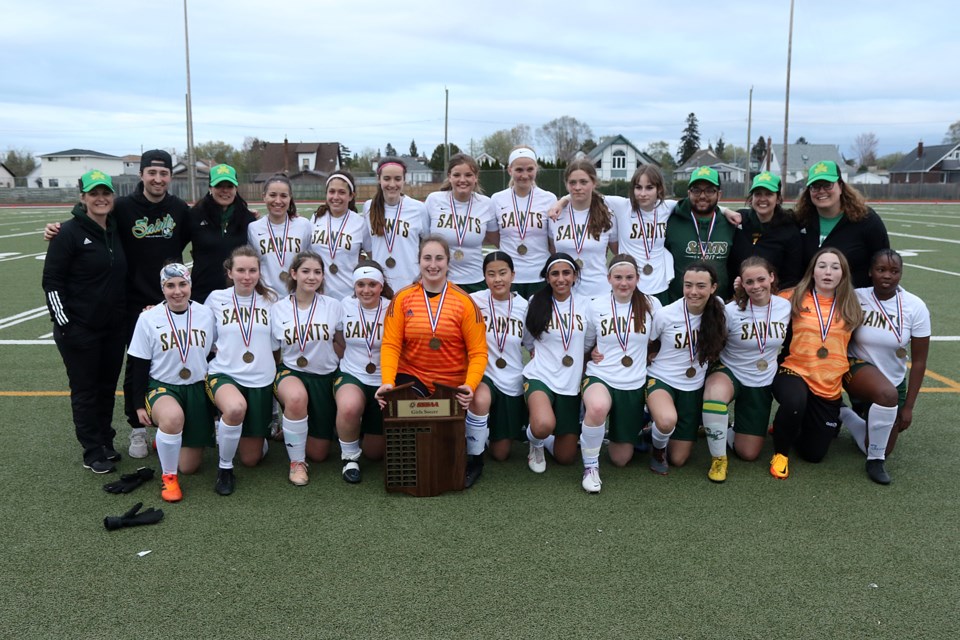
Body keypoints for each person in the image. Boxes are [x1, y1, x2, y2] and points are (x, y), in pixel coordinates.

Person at [44, 149, 191, 459]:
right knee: (133, 368)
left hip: (170, 301)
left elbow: (205, 234)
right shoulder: (122, 208)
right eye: (151, 172)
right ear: (141, 175)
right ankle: (134, 431)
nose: (157, 178)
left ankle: (181, 426)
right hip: (129, 305)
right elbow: (87, 216)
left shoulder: (179, 209)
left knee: (178, 362)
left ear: (170, 177)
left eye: (163, 173)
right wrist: (58, 226)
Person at [375, 235, 489, 485]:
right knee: (413, 442)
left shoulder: (465, 302)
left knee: (481, 398)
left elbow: (478, 352)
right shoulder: (403, 298)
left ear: (448, 262)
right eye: (427, 258)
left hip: (453, 380)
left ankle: (475, 459)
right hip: (415, 375)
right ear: (419, 261)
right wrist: (387, 382)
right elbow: (391, 344)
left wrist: (469, 386)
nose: (433, 264)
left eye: (439, 258)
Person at [42, 170, 128, 474]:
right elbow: (52, 282)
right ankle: (92, 450)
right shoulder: (67, 233)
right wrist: (66, 325)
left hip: (113, 328)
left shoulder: (116, 230)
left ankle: (106, 440)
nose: (101, 198)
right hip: (79, 329)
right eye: (94, 193)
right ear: (83, 198)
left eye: (105, 193)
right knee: (85, 390)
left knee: (106, 387)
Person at [769, 248, 863, 479]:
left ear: (843, 273)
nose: (828, 272)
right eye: (822, 266)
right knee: (794, 401)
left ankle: (794, 424)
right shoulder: (793, 297)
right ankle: (780, 453)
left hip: (828, 385)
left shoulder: (852, 304)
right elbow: (760, 303)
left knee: (814, 454)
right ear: (813, 271)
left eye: (834, 267)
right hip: (794, 371)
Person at [126, 264, 217, 502]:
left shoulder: (206, 314)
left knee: (189, 466)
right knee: (173, 418)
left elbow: (215, 353)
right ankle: (168, 478)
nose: (177, 291)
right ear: (162, 289)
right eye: (170, 286)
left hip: (197, 388)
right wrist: (137, 405)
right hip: (163, 386)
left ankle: (165, 439)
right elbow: (137, 364)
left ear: (190, 285)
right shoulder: (148, 318)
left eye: (182, 284)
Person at [841, 249, 930, 484]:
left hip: (893, 380)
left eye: (894, 271)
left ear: (901, 274)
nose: (887, 276)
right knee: (886, 396)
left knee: (881, 444)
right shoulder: (856, 297)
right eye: (881, 270)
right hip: (856, 367)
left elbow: (919, 362)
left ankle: (844, 413)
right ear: (870, 272)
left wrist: (909, 406)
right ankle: (875, 462)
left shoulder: (915, 306)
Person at [703, 257, 791, 474]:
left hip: (761, 381)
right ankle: (718, 459)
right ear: (742, 284)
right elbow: (714, 344)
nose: (756, 286)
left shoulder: (785, 306)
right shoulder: (732, 311)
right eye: (749, 282)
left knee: (748, 453)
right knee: (715, 397)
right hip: (731, 371)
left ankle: (726, 429)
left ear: (771, 277)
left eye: (761, 279)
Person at [581, 255, 660, 493]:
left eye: (629, 277)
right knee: (596, 407)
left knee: (621, 459)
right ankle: (590, 467)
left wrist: (649, 356)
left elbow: (659, 339)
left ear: (637, 278)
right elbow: (585, 343)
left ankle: (641, 425)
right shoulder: (595, 305)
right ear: (608, 279)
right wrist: (590, 354)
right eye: (618, 277)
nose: (623, 283)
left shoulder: (651, 304)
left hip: (633, 381)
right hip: (601, 375)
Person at [204, 245, 279, 495]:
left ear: (259, 272)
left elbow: (278, 344)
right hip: (225, 373)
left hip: (261, 379)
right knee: (235, 408)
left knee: (251, 459)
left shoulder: (271, 300)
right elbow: (195, 325)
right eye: (241, 270)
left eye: (252, 270)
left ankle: (241, 434)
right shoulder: (216, 298)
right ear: (230, 271)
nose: (247, 276)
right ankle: (224, 468)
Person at [646, 261, 726, 475]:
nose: (693, 292)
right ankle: (657, 449)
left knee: (679, 459)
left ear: (713, 287)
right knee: (666, 421)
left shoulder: (718, 310)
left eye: (701, 286)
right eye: (688, 285)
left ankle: (650, 431)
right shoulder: (666, 314)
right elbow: (649, 344)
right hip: (662, 379)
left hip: (693, 386)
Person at [271, 250, 343, 486]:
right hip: (291, 371)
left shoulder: (334, 305)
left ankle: (299, 428)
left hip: (324, 376)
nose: (311, 277)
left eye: (317, 272)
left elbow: (341, 343)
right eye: (305, 271)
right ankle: (297, 463)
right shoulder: (278, 308)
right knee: (295, 398)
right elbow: (273, 350)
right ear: (294, 273)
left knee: (320, 453)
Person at [522, 253, 594, 473]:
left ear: (574, 276)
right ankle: (535, 443)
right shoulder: (536, 301)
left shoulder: (586, 305)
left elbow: (589, 340)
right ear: (547, 277)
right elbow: (527, 338)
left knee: (566, 457)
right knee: (543, 425)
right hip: (540, 376)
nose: (560, 279)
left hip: (570, 384)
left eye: (566, 273)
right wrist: (539, 353)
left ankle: (544, 439)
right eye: (555, 274)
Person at [467, 252, 530, 485]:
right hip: (483, 372)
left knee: (501, 454)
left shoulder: (524, 306)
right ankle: (474, 457)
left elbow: (534, 345)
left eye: (503, 273)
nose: (497, 279)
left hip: (511, 377)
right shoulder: (474, 301)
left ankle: (483, 433)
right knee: (480, 399)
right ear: (484, 277)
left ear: (513, 275)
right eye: (491, 274)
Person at [334, 260, 394, 476]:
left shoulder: (393, 307)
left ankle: (359, 431)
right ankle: (349, 458)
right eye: (360, 284)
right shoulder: (344, 305)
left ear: (381, 285)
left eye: (372, 284)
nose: (366, 290)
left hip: (383, 379)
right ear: (354, 286)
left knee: (374, 453)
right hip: (353, 374)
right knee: (349, 406)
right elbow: (338, 339)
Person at [793, 160, 889, 288]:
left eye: (827, 185)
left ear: (841, 187)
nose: (821, 191)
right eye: (815, 186)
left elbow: (883, 263)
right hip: (811, 303)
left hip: (854, 301)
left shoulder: (867, 220)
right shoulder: (801, 220)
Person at [424, 154, 499, 291]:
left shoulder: (486, 204)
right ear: (449, 176)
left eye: (468, 175)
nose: (462, 180)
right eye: (457, 175)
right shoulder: (434, 200)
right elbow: (422, 240)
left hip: (476, 280)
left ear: (475, 177)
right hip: (440, 279)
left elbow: (497, 239)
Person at [489, 147, 557, 299]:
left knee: (538, 322)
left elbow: (552, 241)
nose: (524, 175)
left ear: (536, 169)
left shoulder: (549, 198)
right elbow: (494, 237)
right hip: (509, 277)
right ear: (510, 170)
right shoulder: (497, 199)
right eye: (519, 170)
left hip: (540, 276)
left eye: (530, 169)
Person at [186, 163, 257, 302]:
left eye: (229, 186)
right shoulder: (194, 215)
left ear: (236, 188)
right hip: (202, 294)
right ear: (210, 188)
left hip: (238, 295)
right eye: (219, 186)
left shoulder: (248, 218)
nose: (225, 190)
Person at [664, 167, 736, 301]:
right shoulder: (671, 221)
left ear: (719, 194)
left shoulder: (730, 224)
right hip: (679, 306)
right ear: (689, 193)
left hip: (718, 307)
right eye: (696, 190)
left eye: (709, 190)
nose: (702, 196)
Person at [548, 160, 618, 297]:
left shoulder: (608, 214)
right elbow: (552, 250)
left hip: (599, 292)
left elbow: (616, 251)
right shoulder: (555, 214)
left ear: (594, 183)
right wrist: (562, 202)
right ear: (566, 184)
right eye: (572, 183)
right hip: (565, 293)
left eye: (583, 182)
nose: (577, 187)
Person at [363, 158, 429, 291]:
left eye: (397, 179)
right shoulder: (368, 207)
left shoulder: (418, 208)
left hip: (411, 282)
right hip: (379, 284)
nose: (392, 184)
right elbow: (369, 247)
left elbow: (426, 245)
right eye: (386, 178)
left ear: (404, 180)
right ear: (379, 179)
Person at [729, 172, 803, 289]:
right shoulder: (739, 220)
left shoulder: (789, 231)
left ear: (778, 199)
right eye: (758, 194)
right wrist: (725, 211)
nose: (762, 199)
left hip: (773, 299)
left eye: (768, 194)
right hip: (737, 296)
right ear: (752, 197)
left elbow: (791, 277)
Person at [247, 174, 313, 296]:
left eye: (283, 196)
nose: (278, 201)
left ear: (290, 198)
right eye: (272, 195)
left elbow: (310, 262)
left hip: (296, 297)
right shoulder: (253, 228)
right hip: (266, 297)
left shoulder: (304, 225)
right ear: (264, 197)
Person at [311, 170, 371, 300]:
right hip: (319, 297)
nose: (336, 197)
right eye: (332, 191)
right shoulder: (316, 219)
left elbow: (373, 257)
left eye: (342, 192)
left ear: (351, 196)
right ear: (326, 194)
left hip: (349, 297)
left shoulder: (360, 223)